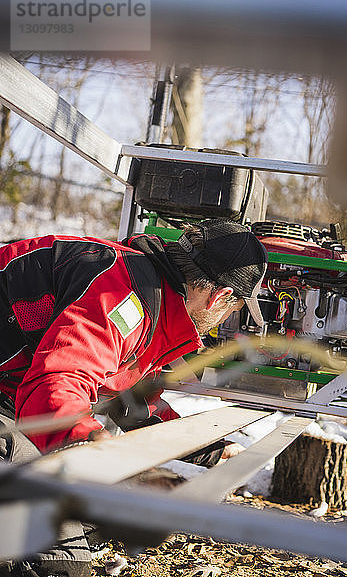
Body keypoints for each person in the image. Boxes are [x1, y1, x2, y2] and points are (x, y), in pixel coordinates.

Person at [0, 218, 268, 577]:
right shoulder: (122, 298)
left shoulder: (151, 295)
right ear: (219, 296)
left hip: (12, 396)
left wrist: (209, 448)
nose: (224, 319)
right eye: (232, 311)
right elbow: (57, 383)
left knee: (88, 521)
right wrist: (94, 449)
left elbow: (129, 396)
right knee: (61, 563)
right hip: (18, 401)